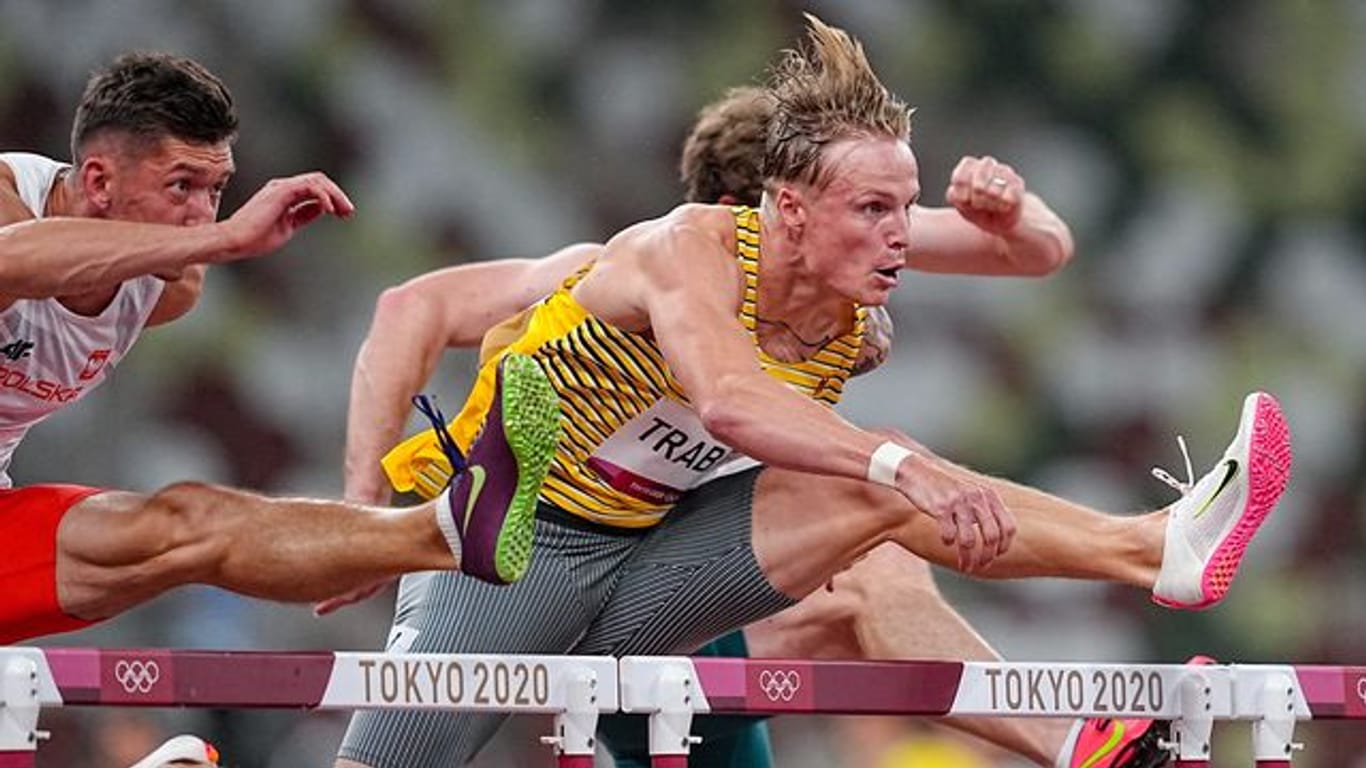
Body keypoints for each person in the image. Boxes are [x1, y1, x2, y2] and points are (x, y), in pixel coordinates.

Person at [334, 16, 1290, 768]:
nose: (902, 235)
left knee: (870, 526)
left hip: (655, 561)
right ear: (778, 211)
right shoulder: (668, 256)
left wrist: (1014, 209)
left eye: (901, 209)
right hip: (516, 551)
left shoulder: (853, 259)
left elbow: (1036, 253)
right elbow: (727, 403)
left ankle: (1152, 559)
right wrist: (362, 523)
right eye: (873, 210)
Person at [0, 51, 558, 645]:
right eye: (181, 185)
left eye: (216, 191)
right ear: (98, 181)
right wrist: (229, 236)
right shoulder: (11, 194)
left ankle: (440, 530)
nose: (199, 217)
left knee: (189, 520)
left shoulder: (173, 286)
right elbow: (14, 260)